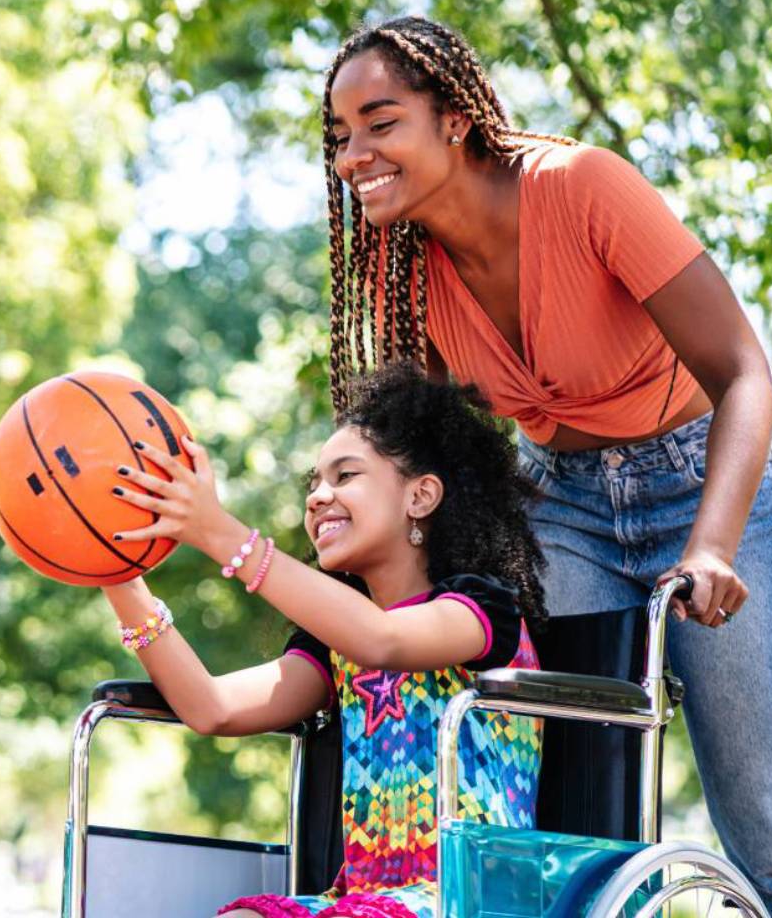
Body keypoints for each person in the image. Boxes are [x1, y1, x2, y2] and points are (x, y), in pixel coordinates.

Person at [319, 14, 772, 917]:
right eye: (340, 135)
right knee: (570, 802)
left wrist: (712, 544)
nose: (353, 154)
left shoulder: (582, 187)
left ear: (454, 119)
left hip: (704, 479)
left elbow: (744, 371)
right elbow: (425, 454)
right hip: (559, 504)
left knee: (765, 812)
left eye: (380, 121)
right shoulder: (403, 267)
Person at [102, 365, 547, 918]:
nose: (318, 497)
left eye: (345, 476)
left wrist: (219, 532)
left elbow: (381, 640)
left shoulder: (482, 612)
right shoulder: (335, 645)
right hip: (361, 902)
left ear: (421, 496)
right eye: (314, 482)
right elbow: (211, 708)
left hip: (471, 899)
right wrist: (113, 569)